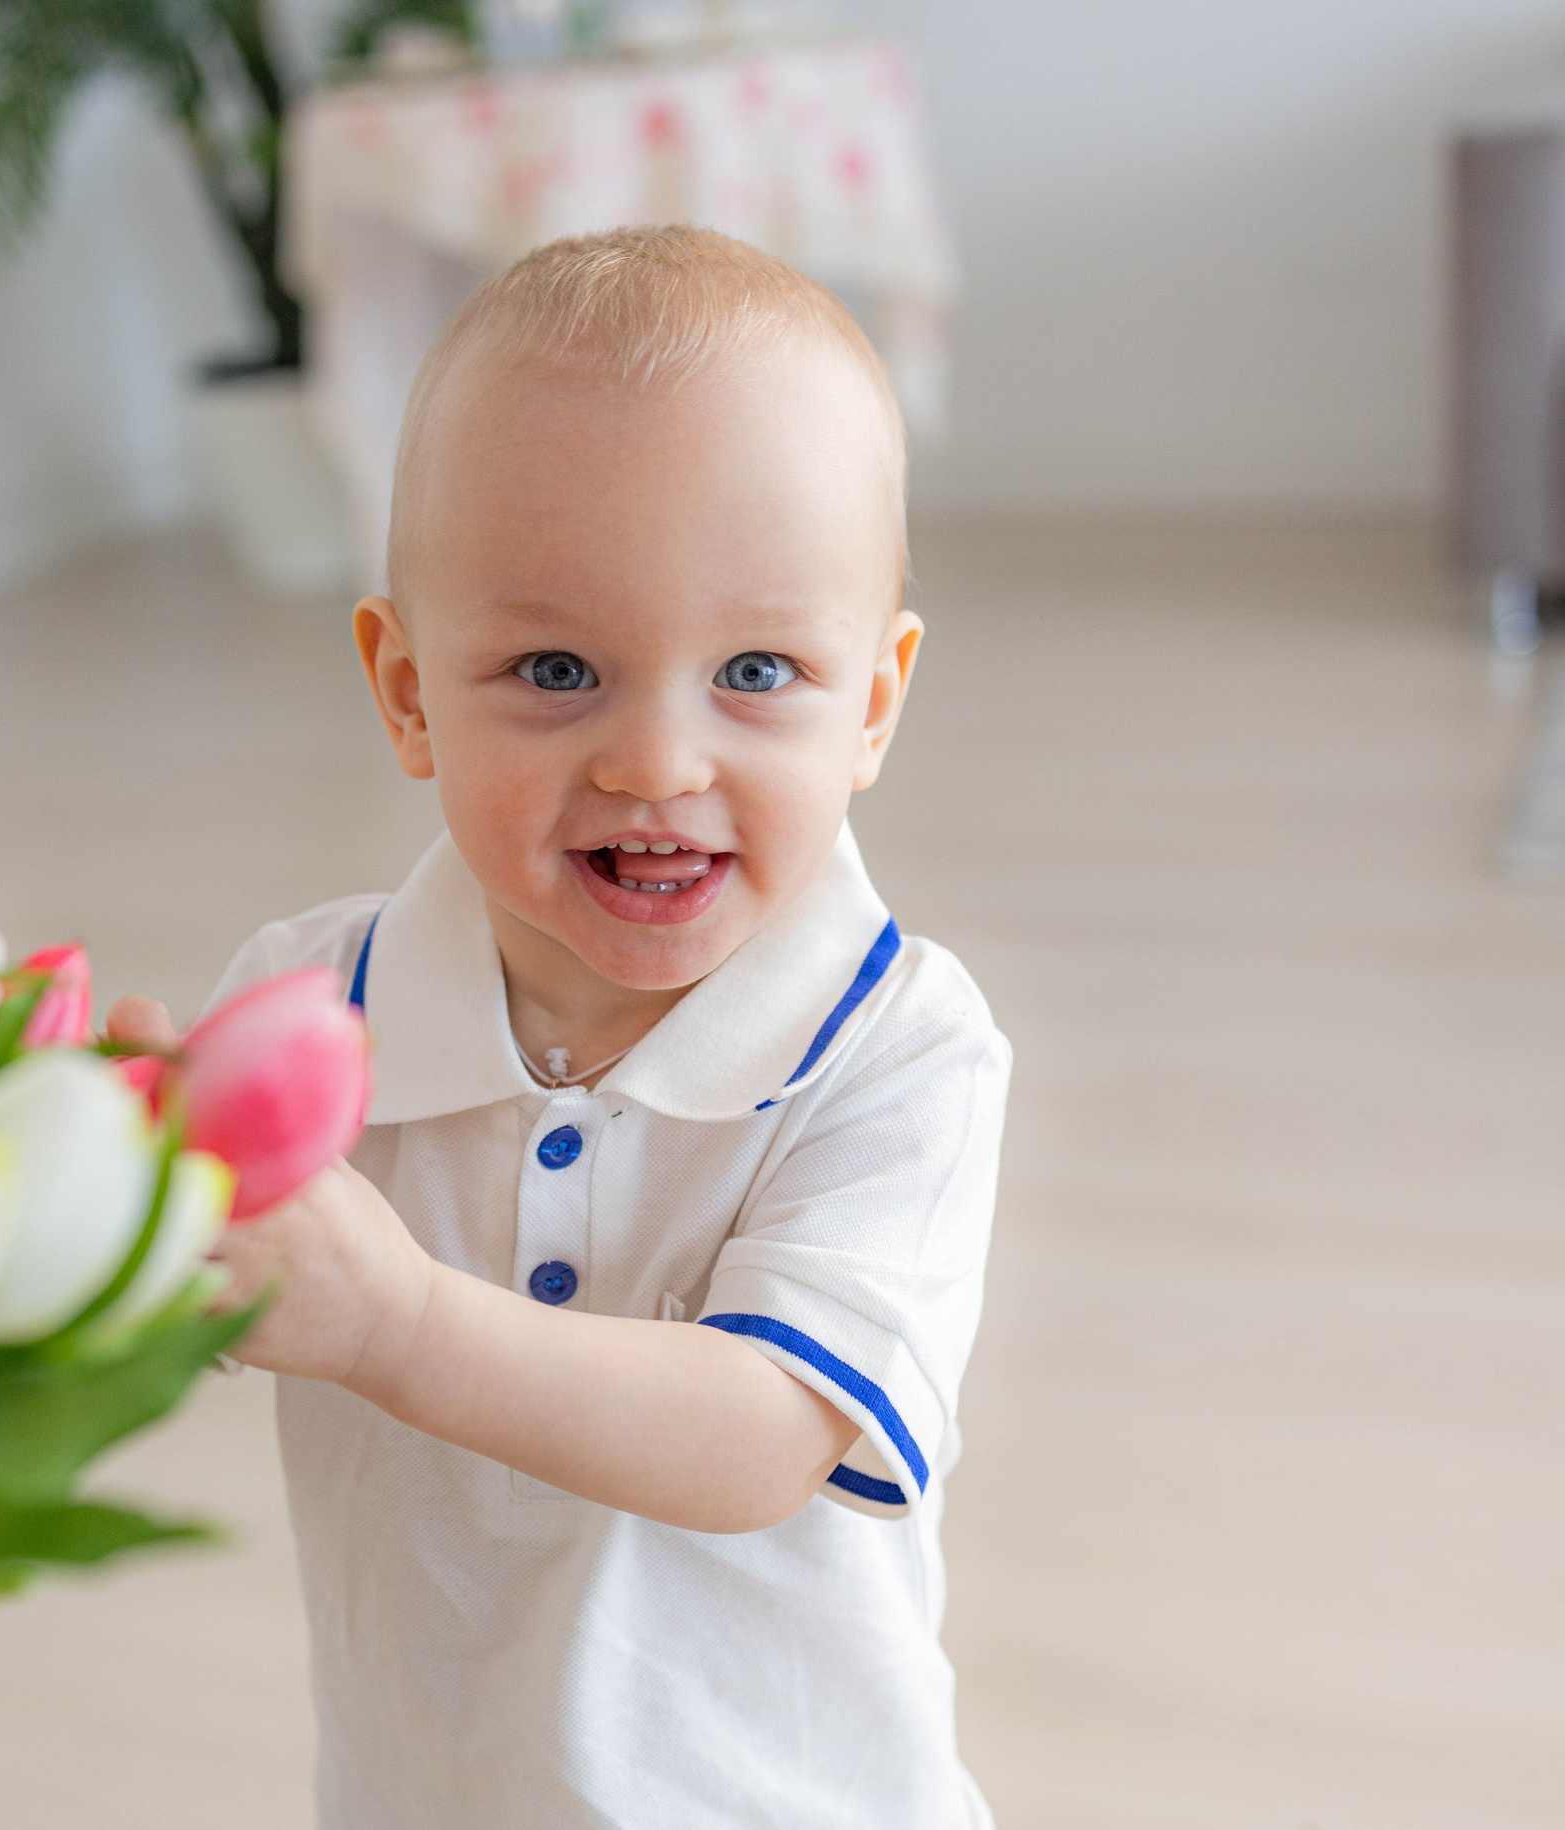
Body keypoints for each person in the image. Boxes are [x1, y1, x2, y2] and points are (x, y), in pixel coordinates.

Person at [112, 225, 1009, 1827]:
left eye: (755, 669)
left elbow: (762, 1437)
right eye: (555, 666)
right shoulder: (314, 1012)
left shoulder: (901, 1051)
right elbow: (184, 1313)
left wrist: (397, 1323)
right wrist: (73, 1191)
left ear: (872, 701)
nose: (658, 758)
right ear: (405, 692)